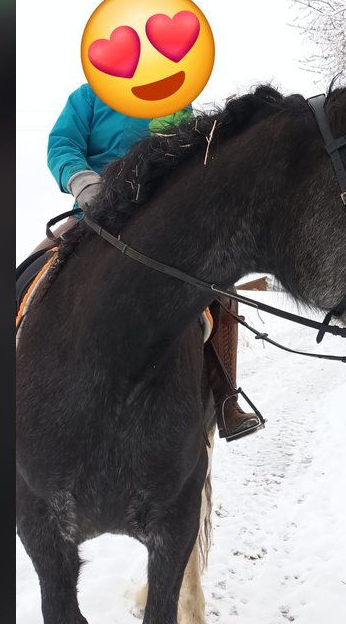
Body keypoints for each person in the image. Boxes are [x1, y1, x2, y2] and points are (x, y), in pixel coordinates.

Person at [46, 83, 264, 441]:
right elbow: (62, 143)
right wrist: (83, 181)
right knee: (32, 272)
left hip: (162, 215)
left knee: (220, 286)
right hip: (95, 208)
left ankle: (226, 400)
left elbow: (193, 156)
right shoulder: (89, 95)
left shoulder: (175, 93)